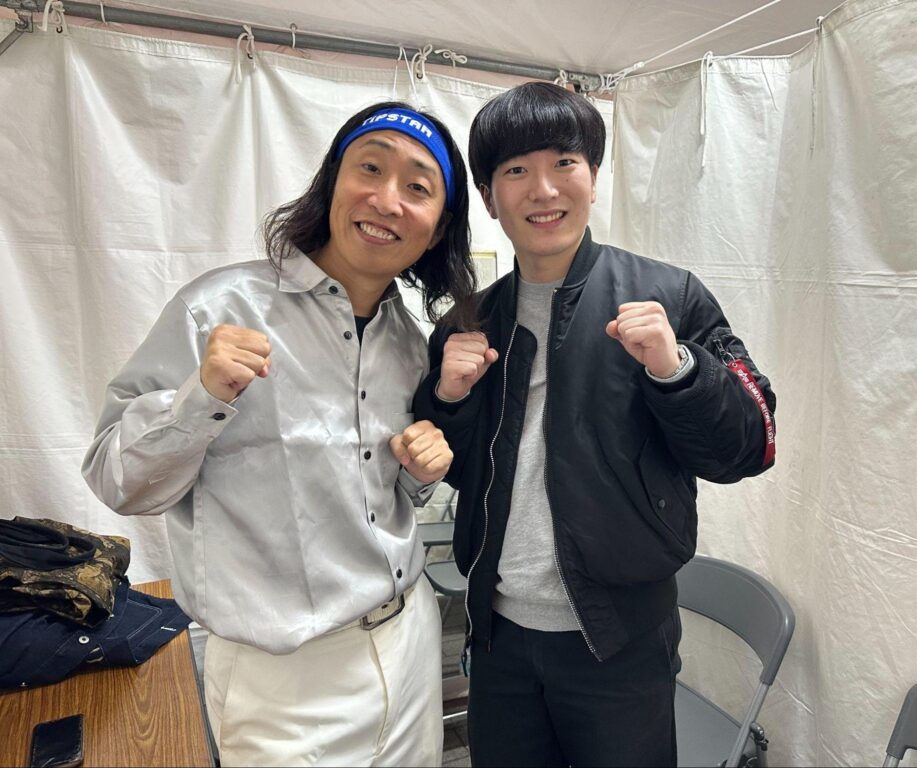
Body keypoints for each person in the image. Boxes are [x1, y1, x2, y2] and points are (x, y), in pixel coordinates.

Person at [82, 101, 478, 767]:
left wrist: (419, 471)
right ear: (332, 183)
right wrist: (201, 397)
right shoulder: (217, 310)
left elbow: (380, 495)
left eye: (417, 187)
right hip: (284, 684)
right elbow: (116, 482)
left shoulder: (410, 343)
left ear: (436, 230)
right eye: (370, 168)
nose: (387, 200)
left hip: (409, 645)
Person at [412, 82, 777, 767]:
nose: (543, 189)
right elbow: (455, 468)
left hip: (620, 639)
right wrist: (447, 399)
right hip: (497, 636)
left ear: (594, 176)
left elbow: (748, 447)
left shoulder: (669, 297)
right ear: (489, 197)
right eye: (516, 171)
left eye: (564, 163)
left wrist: (677, 368)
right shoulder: (469, 323)